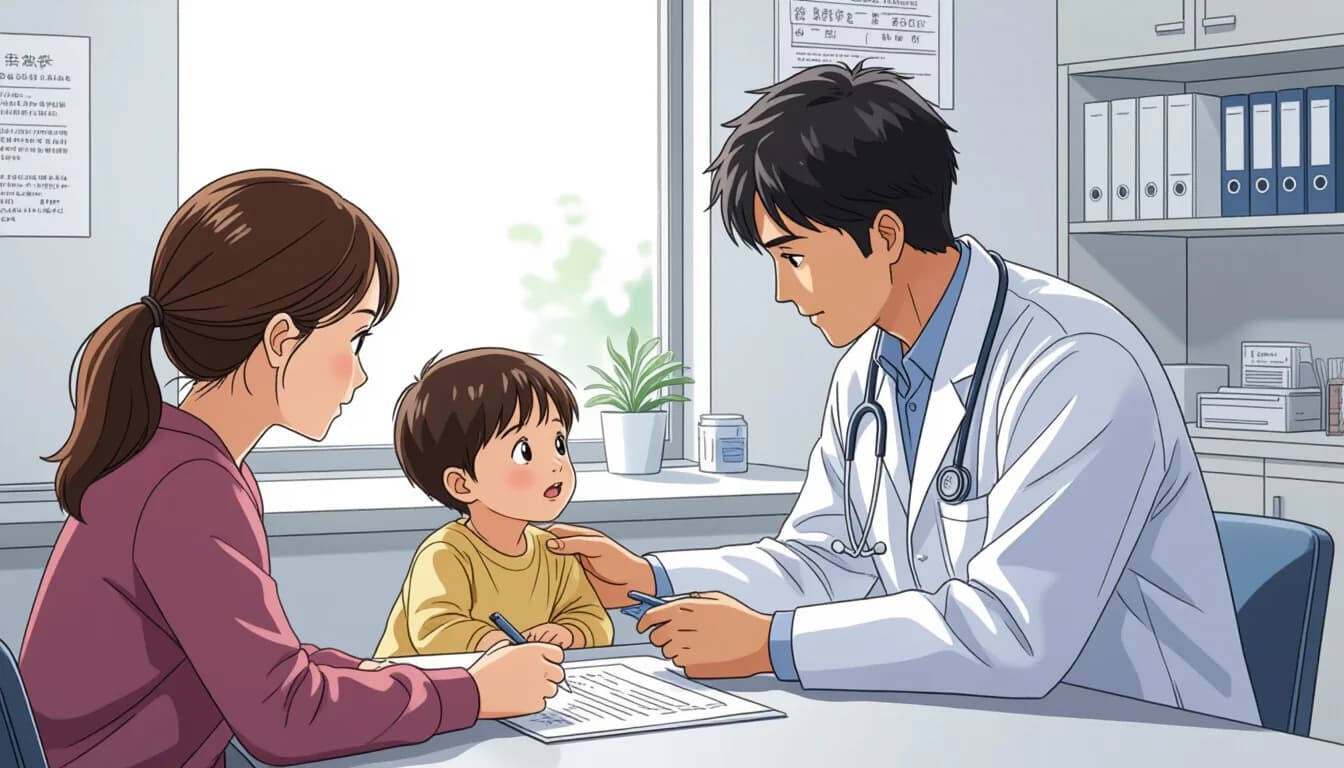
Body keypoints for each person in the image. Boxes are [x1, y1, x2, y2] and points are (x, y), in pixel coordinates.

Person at [543, 63, 1264, 726]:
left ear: (885, 235)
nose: (783, 292)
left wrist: (771, 642)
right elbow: (826, 561)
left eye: (794, 256)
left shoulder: (1076, 364)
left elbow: (1015, 633)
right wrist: (653, 575)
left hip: (1143, 728)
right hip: (976, 720)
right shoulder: (869, 369)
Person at [19, 170, 566, 768]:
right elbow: (284, 715)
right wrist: (474, 692)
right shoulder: (188, 487)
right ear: (282, 339)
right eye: (355, 338)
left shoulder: (184, 459)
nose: (359, 375)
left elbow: (265, 666)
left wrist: (386, 675)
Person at [372, 349, 614, 656]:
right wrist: (494, 643)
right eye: (524, 452)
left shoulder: (554, 552)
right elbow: (434, 631)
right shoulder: (446, 553)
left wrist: (568, 632)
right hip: (421, 693)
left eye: (558, 443)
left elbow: (595, 621)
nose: (556, 464)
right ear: (462, 484)